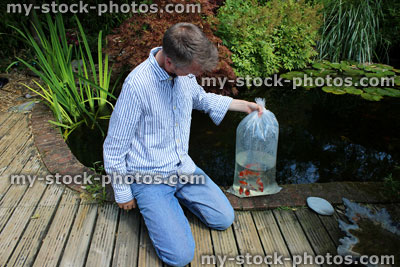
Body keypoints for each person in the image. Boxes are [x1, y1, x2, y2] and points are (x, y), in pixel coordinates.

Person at [103, 22, 263, 267]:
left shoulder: (183, 73)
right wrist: (122, 191)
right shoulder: (137, 86)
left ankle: (172, 206)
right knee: (179, 257)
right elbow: (114, 146)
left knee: (223, 218)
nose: (196, 76)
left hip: (183, 168)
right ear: (170, 63)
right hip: (149, 177)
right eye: (193, 71)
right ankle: (160, 207)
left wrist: (243, 105)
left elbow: (200, 98)